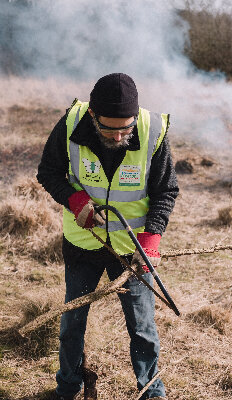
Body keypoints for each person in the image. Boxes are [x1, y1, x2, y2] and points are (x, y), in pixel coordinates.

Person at [37, 73, 179, 400]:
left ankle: (151, 391)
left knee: (142, 327)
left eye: (125, 128)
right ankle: (67, 387)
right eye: (109, 128)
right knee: (72, 324)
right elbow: (48, 171)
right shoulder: (71, 124)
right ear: (92, 116)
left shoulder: (153, 131)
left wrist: (152, 240)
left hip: (132, 251)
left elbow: (166, 190)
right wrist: (75, 201)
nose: (117, 136)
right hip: (83, 246)